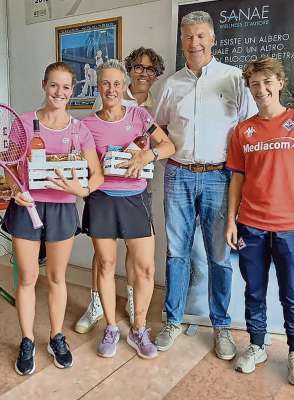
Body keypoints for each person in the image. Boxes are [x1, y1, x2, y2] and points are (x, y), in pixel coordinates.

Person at [153, 11, 257, 358]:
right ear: (181, 41)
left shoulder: (235, 79)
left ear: (213, 39)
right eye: (187, 37)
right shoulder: (171, 85)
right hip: (178, 173)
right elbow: (158, 129)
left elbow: (249, 131)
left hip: (219, 176)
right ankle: (172, 319)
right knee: (177, 253)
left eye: (200, 36)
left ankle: (222, 326)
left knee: (219, 257)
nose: (194, 43)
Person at [226, 56, 294, 387]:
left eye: (267, 82)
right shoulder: (243, 131)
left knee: (293, 293)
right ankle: (256, 346)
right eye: (255, 84)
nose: (261, 89)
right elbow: (237, 180)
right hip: (251, 225)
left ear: (280, 83)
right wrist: (231, 219)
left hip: (292, 226)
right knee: (254, 290)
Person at [1, 62, 103, 374]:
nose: (59, 92)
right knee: (29, 278)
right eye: (54, 85)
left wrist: (81, 188)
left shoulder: (79, 130)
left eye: (66, 87)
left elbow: (96, 175)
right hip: (26, 207)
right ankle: (28, 339)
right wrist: (13, 190)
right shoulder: (25, 122)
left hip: (61, 209)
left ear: (73, 91)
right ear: (44, 85)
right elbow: (8, 167)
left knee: (57, 278)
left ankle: (56, 336)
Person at [82, 59, 175, 359]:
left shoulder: (139, 116)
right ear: (99, 86)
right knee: (106, 266)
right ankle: (111, 327)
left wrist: (147, 155)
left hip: (135, 200)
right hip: (102, 200)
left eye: (117, 84)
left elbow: (169, 146)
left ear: (125, 87)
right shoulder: (87, 125)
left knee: (145, 268)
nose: (111, 89)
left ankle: (138, 328)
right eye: (106, 83)